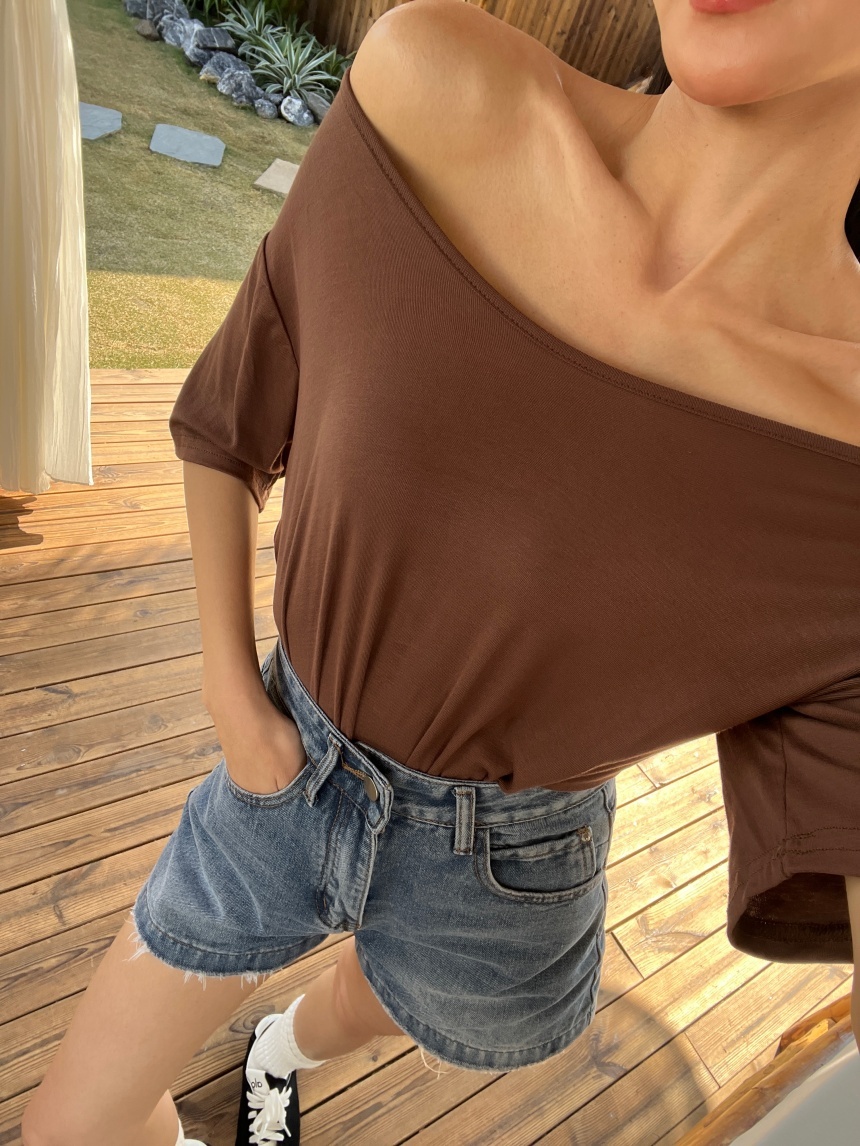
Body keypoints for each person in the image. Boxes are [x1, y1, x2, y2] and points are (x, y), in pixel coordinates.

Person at [21, 0, 860, 1143]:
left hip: (511, 873)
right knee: (72, 1127)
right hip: (281, 763)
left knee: (394, 1007)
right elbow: (230, 412)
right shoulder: (431, 92)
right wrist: (231, 696)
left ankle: (282, 1049)